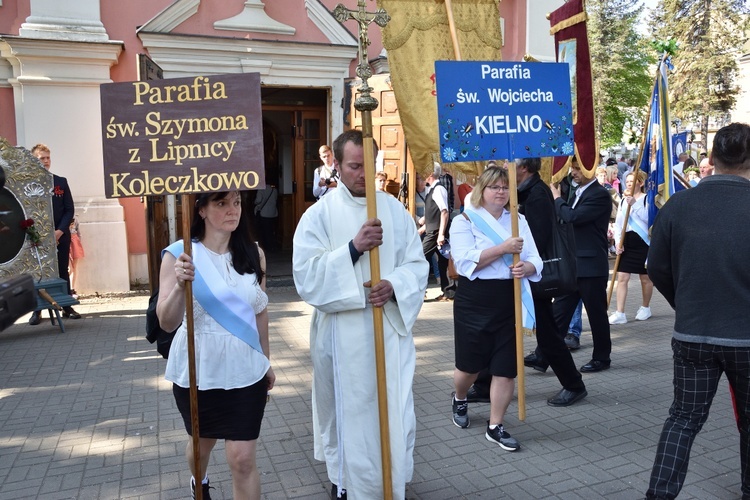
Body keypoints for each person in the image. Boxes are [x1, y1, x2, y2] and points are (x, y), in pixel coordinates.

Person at [292, 130, 428, 500]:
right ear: (335, 164)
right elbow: (306, 277)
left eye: (370, 164)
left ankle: (391, 479)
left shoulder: (394, 210)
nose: (364, 174)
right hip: (342, 335)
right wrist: (353, 248)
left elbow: (417, 264)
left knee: (392, 409)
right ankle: (346, 483)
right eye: (354, 166)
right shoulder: (318, 215)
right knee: (347, 414)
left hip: (387, 330)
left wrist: (395, 286)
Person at [645, 122, 750, 499]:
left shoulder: (680, 205)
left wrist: (684, 303)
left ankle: (658, 495)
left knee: (683, 419)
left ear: (713, 159)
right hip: (745, 339)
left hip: (694, 334)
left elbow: (655, 266)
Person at [157, 190, 274, 500]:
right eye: (221, 203)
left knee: (243, 459)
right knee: (201, 445)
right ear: (202, 210)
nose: (232, 210)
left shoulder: (253, 254)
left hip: (245, 368)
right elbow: (166, 322)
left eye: (236, 202)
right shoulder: (179, 255)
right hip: (199, 368)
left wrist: (267, 360)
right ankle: (200, 480)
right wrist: (181, 287)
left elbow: (259, 311)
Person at [449, 166, 542, 450]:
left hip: (509, 297)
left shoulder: (518, 220)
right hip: (475, 299)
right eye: (495, 187)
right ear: (482, 190)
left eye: (505, 187)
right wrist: (502, 249)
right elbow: (465, 264)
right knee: (470, 366)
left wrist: (526, 267)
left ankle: (495, 425)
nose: (501, 192)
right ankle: (460, 398)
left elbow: (537, 259)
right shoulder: (464, 221)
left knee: (506, 367)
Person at [514, 158, 588, 406]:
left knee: (547, 335)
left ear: (524, 168)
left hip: (533, 275)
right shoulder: (523, 191)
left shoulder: (536, 194)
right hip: (523, 275)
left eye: (509, 163)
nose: (505, 166)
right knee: (506, 330)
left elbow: (538, 237)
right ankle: (483, 384)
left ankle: (574, 384)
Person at [550, 157, 613, 372]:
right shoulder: (581, 191)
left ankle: (602, 357)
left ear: (591, 168)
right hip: (575, 264)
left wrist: (557, 198)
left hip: (591, 266)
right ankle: (544, 353)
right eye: (573, 168)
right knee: (558, 311)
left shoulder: (599, 194)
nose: (574, 172)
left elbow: (573, 217)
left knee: (596, 315)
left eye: (578, 168)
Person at [29, 144, 81, 324]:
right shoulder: (28, 184)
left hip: (60, 235)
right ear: (33, 160)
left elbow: (69, 209)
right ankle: (37, 310)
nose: (45, 161)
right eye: (41, 158)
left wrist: (59, 231)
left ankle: (66, 305)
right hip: (36, 238)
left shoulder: (60, 182)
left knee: (61, 270)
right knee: (38, 272)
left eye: (47, 158)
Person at [608, 170, 654, 324]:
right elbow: (620, 224)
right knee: (622, 277)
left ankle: (645, 307)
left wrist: (634, 205)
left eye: (632, 181)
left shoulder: (647, 199)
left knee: (645, 278)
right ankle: (620, 312)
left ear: (640, 183)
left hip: (643, 242)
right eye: (627, 181)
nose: (628, 184)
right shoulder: (622, 201)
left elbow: (649, 220)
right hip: (627, 241)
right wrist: (618, 242)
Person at [422, 170, 455, 301]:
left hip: (436, 231)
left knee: (420, 257)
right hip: (433, 230)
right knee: (443, 262)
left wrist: (441, 234)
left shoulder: (438, 188)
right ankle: (448, 292)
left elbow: (444, 212)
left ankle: (448, 292)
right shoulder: (431, 189)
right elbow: (434, 212)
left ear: (429, 173)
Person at [253, 181, 278, 252]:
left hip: (264, 213)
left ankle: (265, 247)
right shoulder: (274, 190)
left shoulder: (261, 190)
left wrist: (254, 202)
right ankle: (272, 246)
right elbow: (275, 200)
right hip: (273, 213)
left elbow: (258, 200)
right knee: (271, 231)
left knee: (264, 231)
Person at [69, 216, 85, 298]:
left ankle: (72, 288)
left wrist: (78, 242)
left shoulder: (75, 218)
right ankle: (68, 289)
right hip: (65, 242)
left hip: (74, 241)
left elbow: (78, 232)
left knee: (74, 267)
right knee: (69, 268)